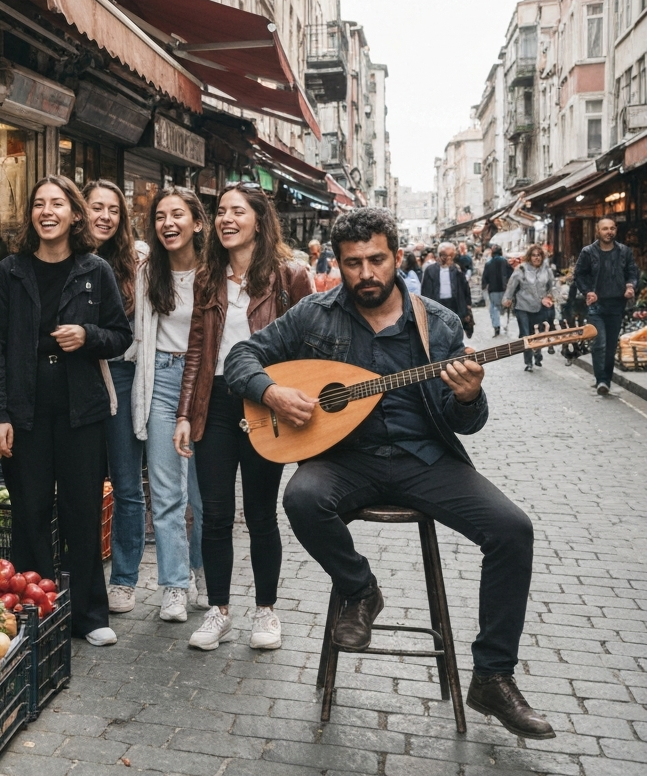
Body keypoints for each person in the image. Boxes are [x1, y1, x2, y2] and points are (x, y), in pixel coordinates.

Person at [225, 207, 552, 740]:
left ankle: (493, 676)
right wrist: (271, 392)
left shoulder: (439, 324)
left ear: (396, 258)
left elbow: (464, 422)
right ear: (339, 262)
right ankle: (361, 590)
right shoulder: (314, 314)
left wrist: (469, 397)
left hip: (425, 460)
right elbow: (242, 355)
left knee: (513, 530)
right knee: (302, 498)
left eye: (377, 260)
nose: (366, 274)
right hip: (344, 459)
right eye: (353, 263)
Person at [0, 175, 133, 647]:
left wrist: (88, 336)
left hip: (80, 410)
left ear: (73, 214)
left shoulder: (95, 271)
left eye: (57, 204)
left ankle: (89, 613)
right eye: (39, 204)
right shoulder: (10, 271)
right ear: (31, 215)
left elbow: (121, 335)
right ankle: (36, 608)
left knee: (81, 510)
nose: (47, 212)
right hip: (24, 411)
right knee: (29, 510)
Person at [173, 182, 312, 651]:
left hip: (265, 405)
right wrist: (185, 413)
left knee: (260, 513)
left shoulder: (290, 277)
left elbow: (307, 347)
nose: (226, 219)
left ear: (259, 219)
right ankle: (219, 610)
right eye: (221, 212)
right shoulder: (207, 278)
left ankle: (266, 612)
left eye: (237, 211)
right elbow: (197, 350)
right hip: (215, 404)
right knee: (213, 514)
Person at [127, 187, 207, 621]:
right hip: (160, 379)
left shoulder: (217, 272)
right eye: (160, 216)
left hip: (206, 385)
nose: (168, 223)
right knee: (166, 493)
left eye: (178, 215)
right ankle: (174, 585)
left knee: (204, 493)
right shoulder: (148, 272)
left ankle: (204, 571)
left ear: (197, 222)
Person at [86, 180, 148, 614]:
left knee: (127, 483)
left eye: (113, 210)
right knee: (83, 483)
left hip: (123, 376)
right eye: (96, 207)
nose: (105, 216)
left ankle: (124, 579)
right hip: (79, 379)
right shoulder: (66, 257)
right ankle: (84, 573)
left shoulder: (138, 260)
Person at [575, 218, 639, 395]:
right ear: (598, 231)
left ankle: (606, 381)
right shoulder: (588, 252)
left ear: (615, 230)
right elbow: (579, 274)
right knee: (599, 343)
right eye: (605, 229)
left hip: (617, 305)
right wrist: (588, 291)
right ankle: (601, 380)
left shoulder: (624, 251)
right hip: (596, 305)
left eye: (612, 228)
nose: (609, 231)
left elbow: (633, 271)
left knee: (610, 346)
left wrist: (630, 285)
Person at [502, 245, 556, 372]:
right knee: (526, 334)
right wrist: (507, 298)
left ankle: (537, 353)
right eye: (534, 255)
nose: (536, 258)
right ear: (529, 256)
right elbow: (511, 285)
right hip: (523, 306)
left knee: (538, 333)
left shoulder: (546, 270)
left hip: (540, 306)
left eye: (539, 255)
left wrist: (550, 296)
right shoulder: (521, 269)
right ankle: (528, 362)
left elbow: (552, 286)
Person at [421, 242, 472, 334]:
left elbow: (465, 288)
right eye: (445, 255)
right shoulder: (430, 270)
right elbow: (425, 292)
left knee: (456, 333)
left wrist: (467, 306)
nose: (449, 258)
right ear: (439, 255)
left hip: (454, 305)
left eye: (451, 255)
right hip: (438, 305)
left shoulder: (457, 269)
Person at [481, 245, 511, 337]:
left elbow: (484, 278)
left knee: (494, 309)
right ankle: (506, 325)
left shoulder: (488, 264)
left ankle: (496, 328)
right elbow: (511, 274)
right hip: (504, 289)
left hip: (493, 290)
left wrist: (484, 286)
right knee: (506, 307)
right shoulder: (505, 262)